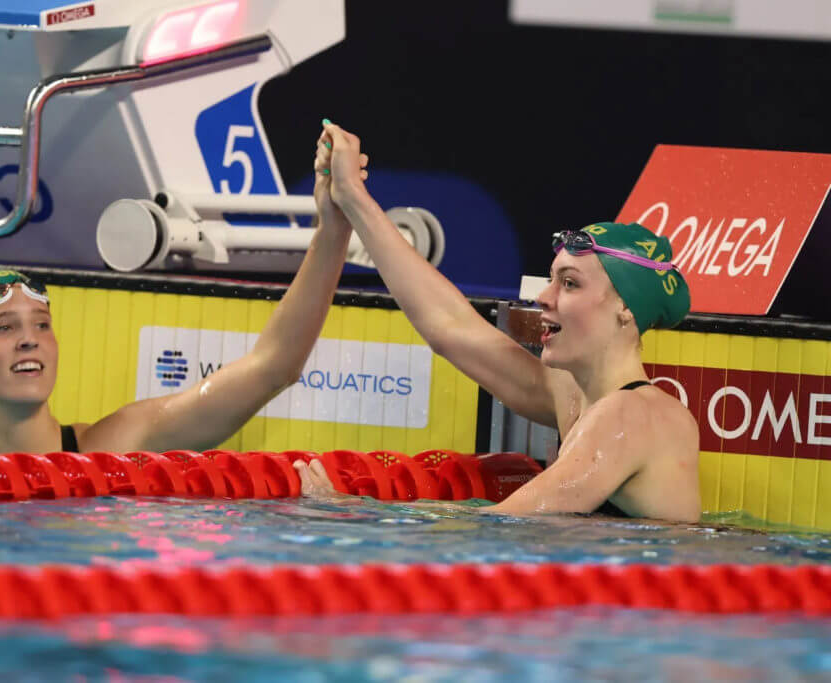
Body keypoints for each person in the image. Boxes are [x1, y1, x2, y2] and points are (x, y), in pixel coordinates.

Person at [295, 122, 700, 522]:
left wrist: (349, 510)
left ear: (625, 308)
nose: (545, 296)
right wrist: (353, 198)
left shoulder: (633, 416)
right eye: (552, 278)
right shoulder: (574, 395)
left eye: (570, 284)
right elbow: (448, 328)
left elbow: (506, 523)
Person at [0, 126, 370, 455]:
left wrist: (332, 230)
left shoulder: (119, 447)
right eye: (3, 326)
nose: (29, 338)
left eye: (42, 325)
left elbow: (272, 368)